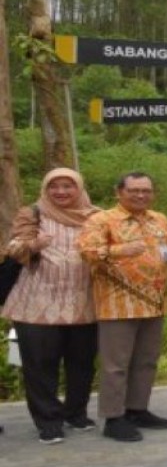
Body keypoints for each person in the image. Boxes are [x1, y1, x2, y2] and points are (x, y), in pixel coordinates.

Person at [1, 168, 99, 445]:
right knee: (40, 365)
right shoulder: (32, 213)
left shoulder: (96, 216)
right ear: (46, 189)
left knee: (82, 363)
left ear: (79, 188)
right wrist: (33, 244)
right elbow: (12, 248)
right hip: (37, 304)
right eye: (54, 186)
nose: (61, 192)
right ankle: (48, 421)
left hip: (84, 302)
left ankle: (76, 413)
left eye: (68, 186)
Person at [77, 172, 167, 442]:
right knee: (115, 365)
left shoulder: (160, 220)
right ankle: (113, 417)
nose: (140, 195)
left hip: (154, 304)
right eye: (134, 190)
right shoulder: (101, 220)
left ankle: (137, 409)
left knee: (146, 362)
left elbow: (165, 254)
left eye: (146, 190)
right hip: (117, 304)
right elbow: (86, 252)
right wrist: (120, 250)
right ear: (119, 192)